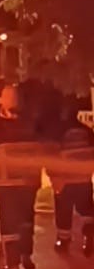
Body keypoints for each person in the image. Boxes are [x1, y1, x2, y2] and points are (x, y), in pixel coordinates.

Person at [0, 84, 43, 269]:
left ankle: (25, 253)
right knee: (9, 221)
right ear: (1, 100)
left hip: (28, 180)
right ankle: (11, 261)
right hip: (5, 181)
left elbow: (41, 146)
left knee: (26, 219)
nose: (14, 100)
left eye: (16, 97)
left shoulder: (31, 121)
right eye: (9, 96)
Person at [52, 101, 94, 255]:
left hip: (65, 181)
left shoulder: (59, 134)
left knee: (63, 211)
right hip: (84, 180)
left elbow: (53, 157)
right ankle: (90, 233)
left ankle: (63, 241)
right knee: (86, 210)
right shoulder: (88, 132)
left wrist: (54, 176)